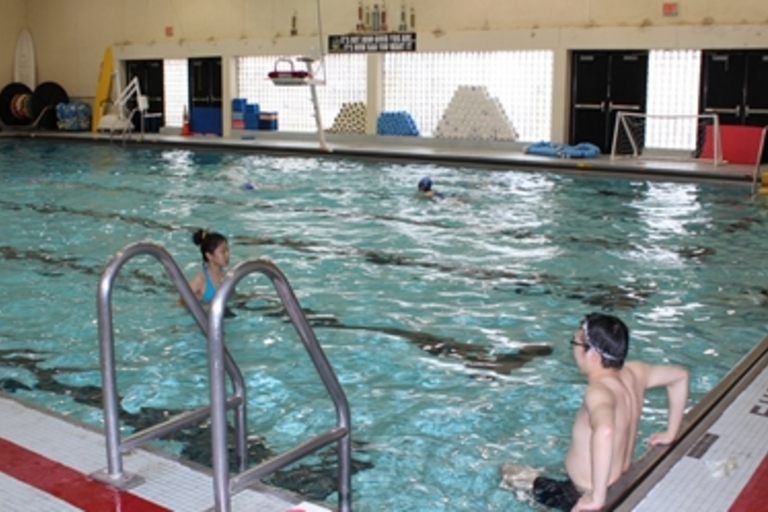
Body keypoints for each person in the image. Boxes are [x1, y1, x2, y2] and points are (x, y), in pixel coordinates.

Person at [502, 312, 688, 511]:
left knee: (508, 473)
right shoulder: (636, 372)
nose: (573, 349)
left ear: (593, 354)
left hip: (582, 494)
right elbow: (680, 377)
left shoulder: (599, 391)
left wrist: (597, 498)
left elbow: (605, 430)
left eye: (575, 344)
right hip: (621, 482)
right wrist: (670, 433)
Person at [184, 229, 230, 304]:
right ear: (209, 255)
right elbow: (181, 303)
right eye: (223, 252)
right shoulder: (200, 280)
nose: (227, 255)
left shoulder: (227, 275)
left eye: (227, 251)